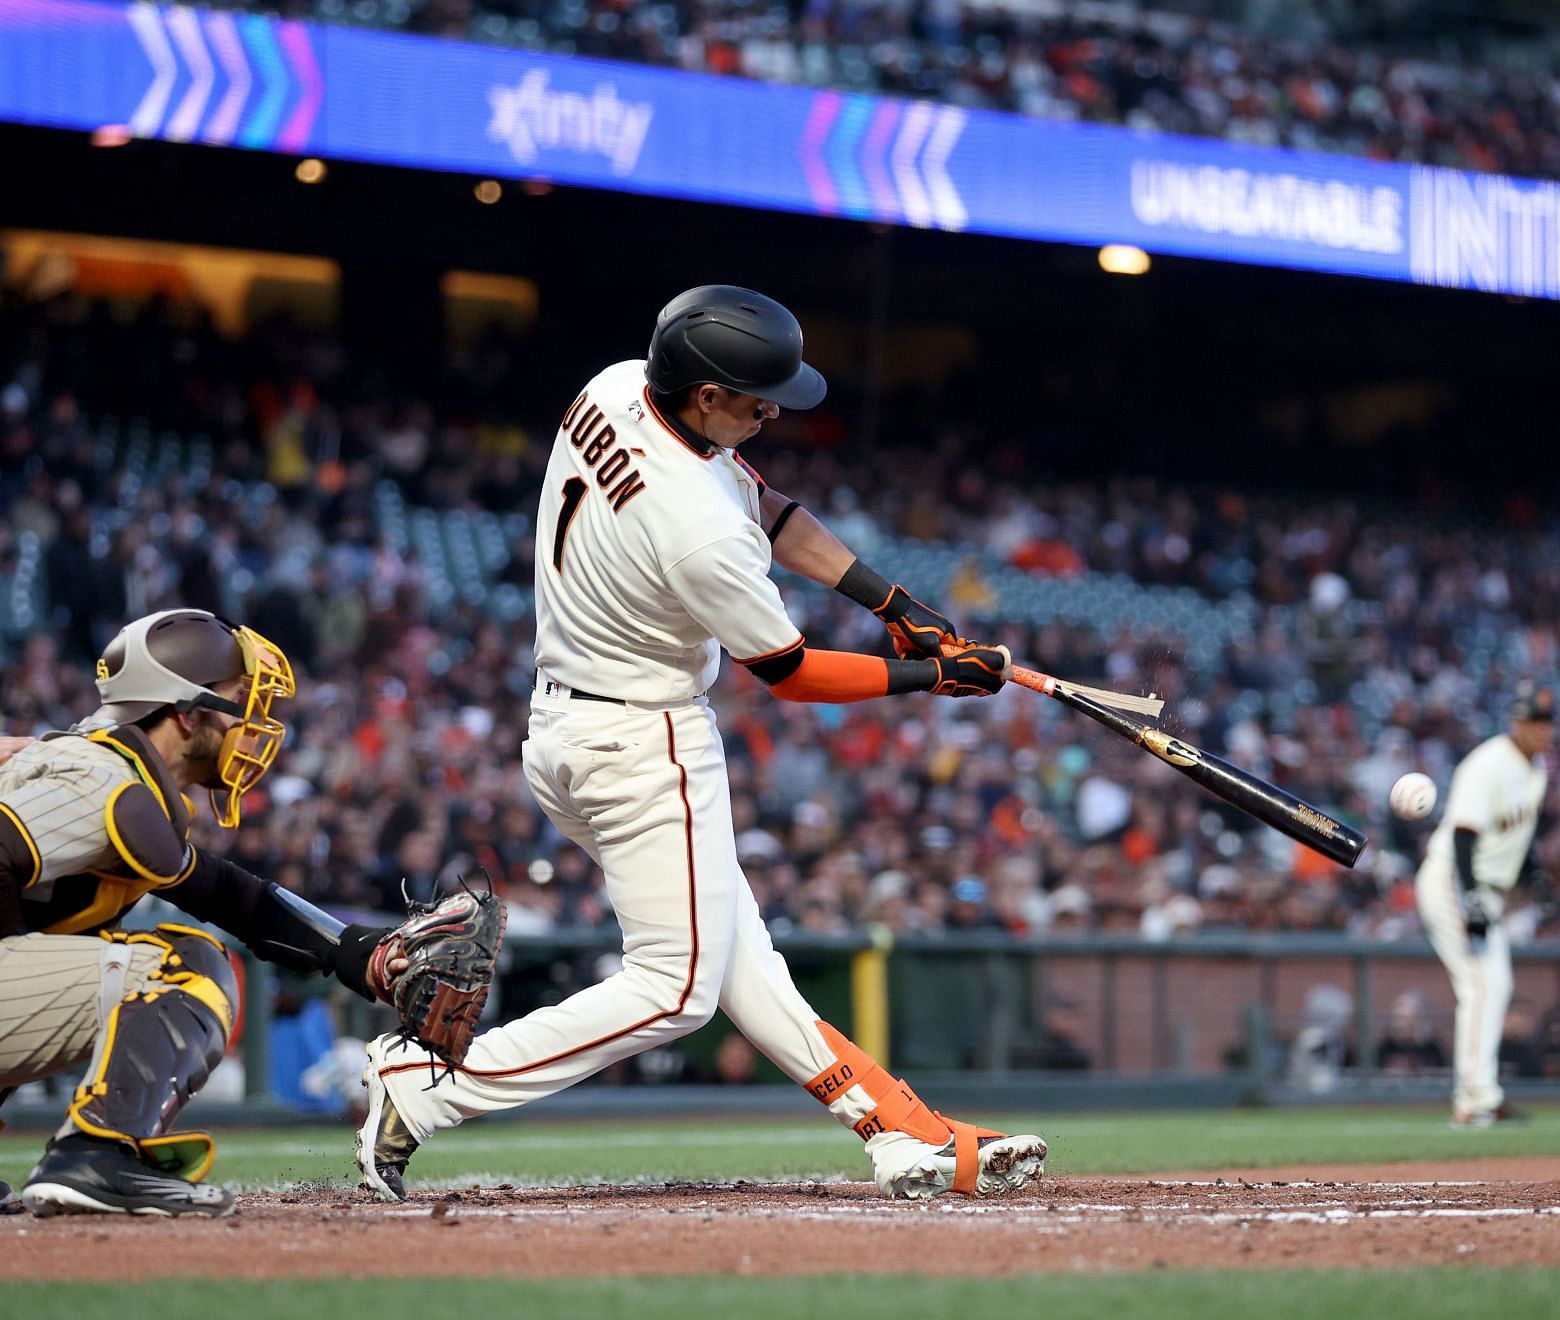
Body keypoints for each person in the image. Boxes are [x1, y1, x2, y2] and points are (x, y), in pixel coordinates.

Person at [359, 286, 1047, 1201]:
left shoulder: (615, 387)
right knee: (678, 988)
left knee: (734, 955)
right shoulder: (697, 530)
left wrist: (894, 605)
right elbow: (791, 671)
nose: (772, 411)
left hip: (566, 727)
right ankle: (432, 1086)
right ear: (702, 392)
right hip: (643, 741)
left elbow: (773, 508)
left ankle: (896, 1131)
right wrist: (934, 678)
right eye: (754, 397)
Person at [0, 609, 408, 1216]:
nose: (255, 723)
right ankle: (99, 1154)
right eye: (239, 701)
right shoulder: (97, 774)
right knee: (183, 967)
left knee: (105, 947)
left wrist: (353, 950)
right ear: (187, 714)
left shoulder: (125, 780)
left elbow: (225, 894)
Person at [1415, 681, 1553, 1128]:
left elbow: (1517, 837)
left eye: (1548, 722)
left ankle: (1481, 1095)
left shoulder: (1537, 769)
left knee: (1496, 984)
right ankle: (1475, 1100)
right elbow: (1463, 833)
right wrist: (1472, 894)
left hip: (1484, 888)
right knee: (1480, 985)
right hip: (1453, 880)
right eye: (1535, 721)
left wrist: (1535, 875)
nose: (1543, 730)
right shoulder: (1488, 763)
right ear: (1516, 722)